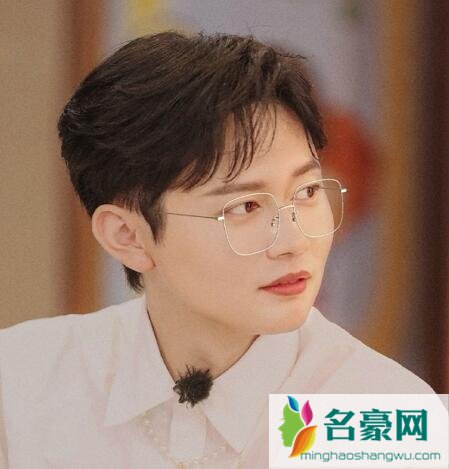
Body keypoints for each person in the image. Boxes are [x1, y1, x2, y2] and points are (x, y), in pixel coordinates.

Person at [0, 31, 435, 469]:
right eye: (245, 207)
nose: (294, 242)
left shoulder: (386, 417)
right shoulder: (22, 385)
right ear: (128, 236)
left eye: (306, 192)